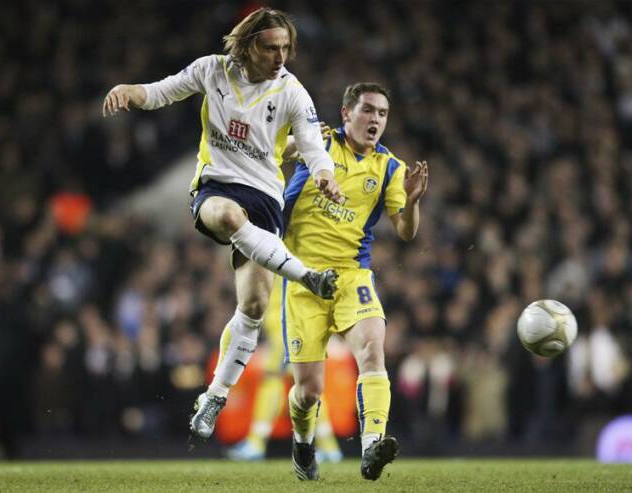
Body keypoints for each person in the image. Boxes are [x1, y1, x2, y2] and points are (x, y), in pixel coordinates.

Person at [102, 8, 343, 442]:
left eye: (286, 47)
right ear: (250, 44)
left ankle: (213, 395)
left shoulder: (292, 91)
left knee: (252, 307)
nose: (280, 56)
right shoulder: (211, 70)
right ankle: (307, 276)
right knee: (229, 217)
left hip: (267, 200)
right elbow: (159, 93)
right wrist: (127, 90)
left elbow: (313, 146)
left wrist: (325, 173)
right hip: (216, 188)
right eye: (272, 47)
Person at [278, 82, 428, 481]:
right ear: (347, 114)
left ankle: (371, 446)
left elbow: (406, 232)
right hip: (302, 276)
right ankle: (303, 444)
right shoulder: (318, 144)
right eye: (367, 110)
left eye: (382, 113)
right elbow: (275, 150)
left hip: (351, 275)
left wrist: (411, 204)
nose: (375, 119)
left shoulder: (389, 167)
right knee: (308, 391)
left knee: (372, 350)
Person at [225, 275, 343, 463]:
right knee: (306, 384)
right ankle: (329, 447)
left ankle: (256, 443)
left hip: (286, 321)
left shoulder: (282, 247)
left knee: (275, 380)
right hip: (292, 319)